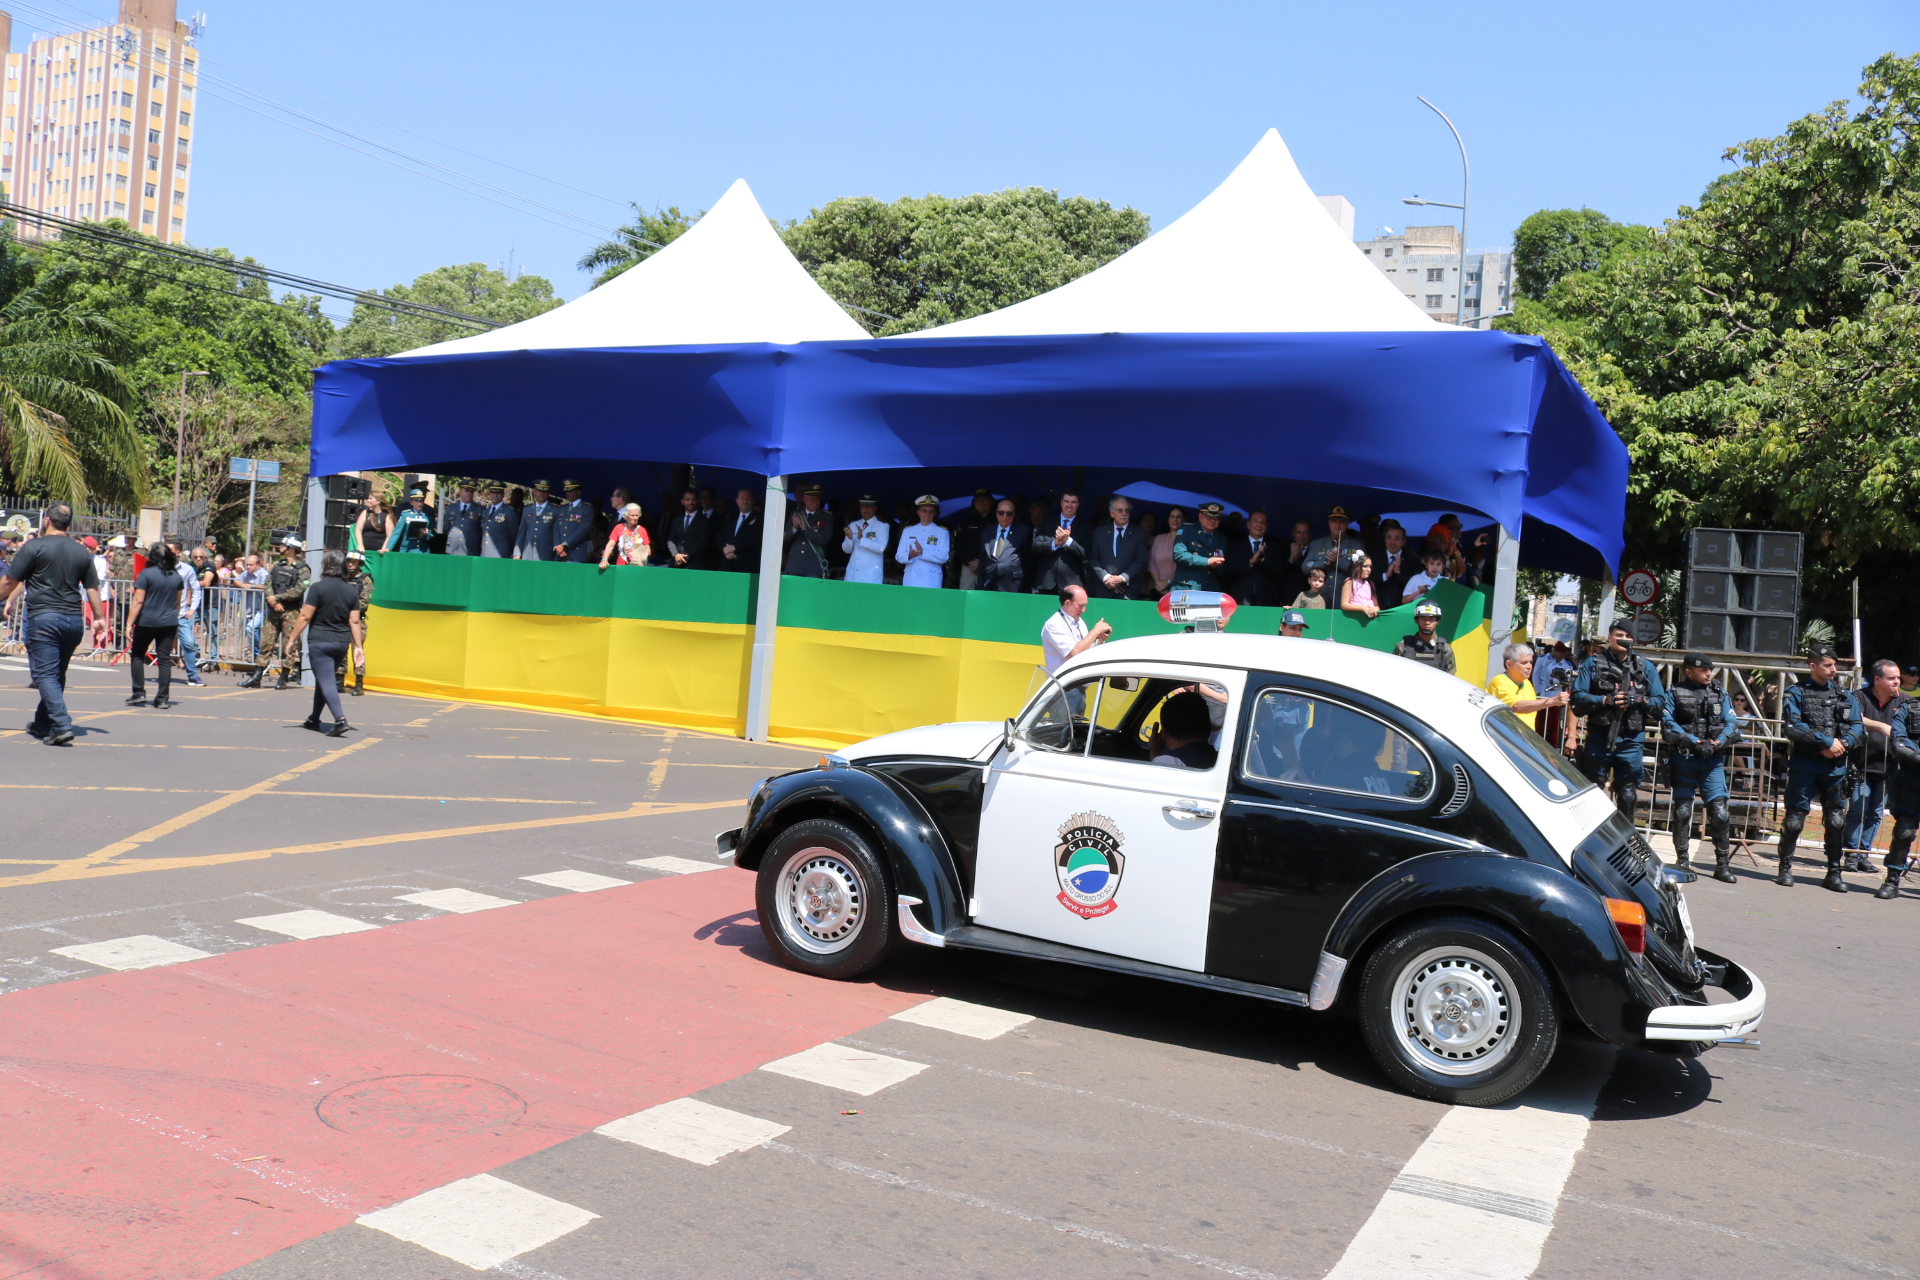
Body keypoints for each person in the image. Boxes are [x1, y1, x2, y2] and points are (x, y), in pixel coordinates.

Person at [0, 502, 108, 746]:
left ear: (46, 520)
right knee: (56, 674)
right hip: (72, 621)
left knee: (45, 674)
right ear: (68, 524)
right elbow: (92, 587)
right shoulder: (82, 551)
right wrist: (99, 617)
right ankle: (42, 724)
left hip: (44, 619)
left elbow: (9, 581)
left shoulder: (34, 546)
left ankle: (61, 724)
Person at [1776, 645, 1865, 891]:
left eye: (1835, 665)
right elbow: (1792, 726)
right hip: (1804, 766)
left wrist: (1842, 744)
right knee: (1794, 820)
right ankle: (1784, 868)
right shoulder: (1796, 692)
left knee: (1836, 821)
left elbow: (1858, 726)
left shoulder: (1844, 695)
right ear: (1813, 666)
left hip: (1835, 768)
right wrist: (1826, 742)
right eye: (1828, 665)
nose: (1834, 669)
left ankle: (1834, 873)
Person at [1661, 653, 1743, 884]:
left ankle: (1722, 865)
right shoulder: (1674, 693)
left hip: (1712, 761)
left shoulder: (1720, 693)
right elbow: (1668, 724)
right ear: (1689, 672)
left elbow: (1731, 723)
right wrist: (1693, 741)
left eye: (1710, 669)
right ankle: (1682, 862)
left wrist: (1718, 742)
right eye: (1704, 670)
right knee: (1683, 812)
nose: (1709, 674)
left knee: (1721, 813)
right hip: (1685, 759)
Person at [1572, 622, 1667, 819]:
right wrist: (1605, 700)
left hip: (1631, 739)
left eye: (1627, 636)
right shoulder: (1593, 663)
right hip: (1599, 737)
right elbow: (1577, 696)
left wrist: (1639, 699)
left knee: (1628, 794)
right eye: (1619, 635)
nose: (1623, 639)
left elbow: (1659, 701)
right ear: (1609, 637)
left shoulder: (1645, 666)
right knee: (1594, 790)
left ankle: (1626, 835)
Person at [284, 550, 363, 738]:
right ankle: (314, 719)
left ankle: (340, 720)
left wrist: (291, 640)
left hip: (320, 641)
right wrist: (358, 647)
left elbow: (305, 616)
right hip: (341, 642)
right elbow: (354, 621)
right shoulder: (351, 591)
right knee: (324, 678)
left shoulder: (318, 588)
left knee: (326, 681)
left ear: (326, 566)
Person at [1846, 659, 1903, 873]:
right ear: (1877, 679)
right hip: (1861, 766)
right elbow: (1856, 718)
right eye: (1892, 678)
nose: (1897, 681)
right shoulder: (1860, 696)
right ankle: (1851, 854)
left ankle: (1863, 854)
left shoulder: (1904, 701)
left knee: (1876, 813)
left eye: (1898, 678)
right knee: (1857, 810)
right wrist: (1880, 726)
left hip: (1888, 768)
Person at [125, 542, 182, 709]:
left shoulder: (146, 574)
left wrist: (129, 623)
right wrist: (174, 619)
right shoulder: (176, 576)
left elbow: (138, 600)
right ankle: (162, 698)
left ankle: (138, 693)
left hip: (147, 621)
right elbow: (178, 602)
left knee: (137, 655)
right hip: (169, 622)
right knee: (164, 659)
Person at [1878, 694, 1919, 900]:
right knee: (1904, 833)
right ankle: (1892, 880)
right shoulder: (1909, 707)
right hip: (1912, 779)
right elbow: (1899, 741)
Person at [255, 536, 311, 690]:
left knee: (289, 645)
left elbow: (299, 590)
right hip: (274, 610)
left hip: (291, 612)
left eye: (283, 545)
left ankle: (283, 678)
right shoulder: (277, 565)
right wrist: (273, 601)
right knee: (266, 643)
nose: (280, 547)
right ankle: (257, 676)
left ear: (291, 548)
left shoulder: (303, 569)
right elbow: (268, 583)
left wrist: (278, 598)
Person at [1489, 642, 1570, 731]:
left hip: (1525, 736)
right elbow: (1516, 706)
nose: (1529, 667)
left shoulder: (1526, 682)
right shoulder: (1500, 682)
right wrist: (1552, 701)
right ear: (1509, 664)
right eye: (1524, 663)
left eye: (1531, 662)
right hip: (1507, 736)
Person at [1088, 496, 1150, 600]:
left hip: (1128, 590)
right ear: (1112, 513)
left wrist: (1122, 578)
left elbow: (1141, 559)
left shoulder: (1139, 533)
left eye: (1127, 511)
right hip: (1104, 589)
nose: (1124, 513)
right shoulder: (1100, 532)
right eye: (1120, 510)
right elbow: (1093, 558)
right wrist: (1107, 578)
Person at [1042, 584, 1111, 675]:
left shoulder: (1079, 621)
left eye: (1085, 605)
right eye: (1080, 606)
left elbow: (1085, 650)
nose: (1084, 610)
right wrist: (1095, 632)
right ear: (1067, 603)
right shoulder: (1054, 624)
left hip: (1078, 679)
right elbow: (1073, 653)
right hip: (1063, 681)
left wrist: (1100, 641)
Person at [1029, 491, 1089, 594]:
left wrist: (1068, 541)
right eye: (1066, 501)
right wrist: (1055, 543)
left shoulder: (1085, 526)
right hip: (1046, 583)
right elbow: (1035, 547)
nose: (1069, 505)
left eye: (1073, 502)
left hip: (1072, 583)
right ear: (1061, 503)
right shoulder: (1048, 523)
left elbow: (1086, 553)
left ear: (1078, 505)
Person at [1223, 509, 1283, 606]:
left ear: (1266, 526)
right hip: (1241, 598)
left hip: (1265, 600)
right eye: (1255, 521)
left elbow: (1280, 573)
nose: (1259, 525)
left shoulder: (1274, 546)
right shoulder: (1236, 545)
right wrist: (1250, 562)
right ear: (1248, 524)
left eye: (1262, 522)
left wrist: (1262, 560)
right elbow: (1229, 570)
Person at [1149, 690, 1217, 770]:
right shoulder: (1221, 760)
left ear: (1164, 734)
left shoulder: (1166, 762)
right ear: (1209, 728)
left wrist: (1154, 752)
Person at [1305, 506, 1360, 601]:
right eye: (1334, 521)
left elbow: (1361, 571)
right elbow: (1305, 567)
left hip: (1345, 599)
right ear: (1329, 523)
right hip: (1319, 598)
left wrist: (1338, 561)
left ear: (1347, 523)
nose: (1337, 525)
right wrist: (1325, 563)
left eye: (1342, 521)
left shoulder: (1357, 545)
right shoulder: (1317, 543)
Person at [1171, 501, 1227, 591]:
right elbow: (1179, 555)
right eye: (1209, 517)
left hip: (1210, 589)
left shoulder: (1221, 538)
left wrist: (1217, 565)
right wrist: (1207, 561)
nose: (1213, 520)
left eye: (1216, 518)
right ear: (1200, 516)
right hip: (1187, 588)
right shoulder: (1187, 530)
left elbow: (1223, 569)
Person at [975, 499, 1029, 592]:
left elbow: (1028, 561)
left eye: (1009, 513)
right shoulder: (987, 532)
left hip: (1013, 583)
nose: (1005, 516)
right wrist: (980, 586)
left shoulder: (1023, 531)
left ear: (1013, 515)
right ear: (996, 514)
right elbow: (982, 561)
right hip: (990, 581)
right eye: (1001, 513)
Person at [896, 496, 949, 588]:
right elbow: (898, 556)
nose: (927, 514)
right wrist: (909, 555)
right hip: (911, 578)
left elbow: (944, 557)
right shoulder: (908, 530)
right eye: (924, 510)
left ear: (935, 513)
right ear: (918, 512)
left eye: (931, 511)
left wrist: (923, 552)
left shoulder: (942, 532)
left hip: (931, 579)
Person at [174, 543, 208, 687]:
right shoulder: (159, 568)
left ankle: (193, 676)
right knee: (160, 645)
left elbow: (196, 588)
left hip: (180, 615)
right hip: (162, 614)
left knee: (189, 644)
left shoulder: (186, 569)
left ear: (177, 552)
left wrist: (192, 608)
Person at [948, 489, 996, 589]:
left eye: (985, 499)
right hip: (969, 566)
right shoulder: (967, 521)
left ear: (991, 501)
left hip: (991, 565)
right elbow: (958, 546)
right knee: (966, 595)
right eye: (978, 500)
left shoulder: (998, 521)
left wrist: (983, 562)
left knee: (989, 595)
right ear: (974, 502)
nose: (981, 502)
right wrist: (969, 563)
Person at [783, 483, 834, 578]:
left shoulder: (826, 517)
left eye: (817, 499)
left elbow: (824, 539)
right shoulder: (796, 513)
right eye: (811, 499)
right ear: (804, 499)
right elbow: (785, 538)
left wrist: (806, 529)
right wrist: (794, 528)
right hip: (795, 564)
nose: (815, 502)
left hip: (813, 565)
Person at [1393, 601, 1456, 674]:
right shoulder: (1403, 647)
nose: (1427, 622)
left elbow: (1450, 677)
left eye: (1431, 619)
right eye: (1423, 618)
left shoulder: (1445, 649)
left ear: (1437, 621)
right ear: (1417, 621)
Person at [841, 494, 890, 584]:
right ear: (860, 508)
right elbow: (846, 550)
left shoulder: (882, 526)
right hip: (853, 574)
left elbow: (881, 547)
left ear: (875, 508)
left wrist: (862, 539)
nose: (866, 510)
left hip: (870, 575)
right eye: (863, 507)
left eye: (869, 507)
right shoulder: (853, 525)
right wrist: (849, 538)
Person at [344, 550, 374, 695]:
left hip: (357, 620)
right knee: (341, 650)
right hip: (342, 620)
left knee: (358, 650)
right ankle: (339, 680)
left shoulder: (365, 580)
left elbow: (364, 602)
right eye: (349, 561)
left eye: (354, 562)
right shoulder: (342, 577)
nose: (350, 564)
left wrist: (348, 610)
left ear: (359, 563)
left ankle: (359, 683)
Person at [663, 489, 713, 571]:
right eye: (688, 499)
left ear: (698, 501)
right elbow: (671, 540)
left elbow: (702, 543)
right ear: (683, 501)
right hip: (676, 563)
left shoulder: (704, 521)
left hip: (695, 564)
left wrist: (685, 557)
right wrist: (676, 555)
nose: (690, 502)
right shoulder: (677, 520)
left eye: (693, 500)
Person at [551, 480, 597, 563]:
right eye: (567, 492)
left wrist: (565, 545)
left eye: (571, 491)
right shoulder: (562, 509)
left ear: (578, 492)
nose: (568, 494)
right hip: (559, 554)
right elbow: (556, 528)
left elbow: (582, 530)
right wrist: (558, 546)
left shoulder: (586, 509)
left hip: (576, 553)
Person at [1374, 522, 1416, 609]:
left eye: (1397, 539)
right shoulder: (1375, 557)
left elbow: (1414, 585)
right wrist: (1386, 575)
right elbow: (1368, 581)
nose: (1392, 542)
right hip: (1377, 607)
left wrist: (1397, 572)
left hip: (1402, 608)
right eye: (1389, 538)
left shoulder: (1412, 560)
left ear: (1403, 542)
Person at [598, 502, 652, 568]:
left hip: (638, 567)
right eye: (632, 515)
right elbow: (610, 545)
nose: (635, 518)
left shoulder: (642, 530)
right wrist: (604, 559)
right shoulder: (619, 527)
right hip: (621, 566)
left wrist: (638, 554)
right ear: (626, 516)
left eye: (637, 515)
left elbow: (648, 549)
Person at [514, 480, 558, 560]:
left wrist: (557, 555)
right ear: (534, 492)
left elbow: (556, 535)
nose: (542, 493)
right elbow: (522, 532)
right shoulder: (527, 509)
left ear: (549, 493)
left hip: (545, 554)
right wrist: (517, 552)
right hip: (528, 553)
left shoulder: (555, 510)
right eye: (539, 491)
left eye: (545, 491)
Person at [721, 488, 762, 572]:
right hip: (728, 564)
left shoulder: (760, 518)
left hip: (748, 565)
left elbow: (757, 538)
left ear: (753, 500)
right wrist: (726, 549)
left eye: (748, 498)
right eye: (742, 498)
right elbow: (720, 535)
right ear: (737, 501)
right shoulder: (730, 518)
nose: (745, 501)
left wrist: (735, 547)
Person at [1148, 506, 1186, 595]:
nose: (1175, 519)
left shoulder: (1188, 541)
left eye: (1179, 516)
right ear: (1168, 520)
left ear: (1184, 520)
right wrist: (1159, 584)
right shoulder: (1159, 538)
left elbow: (1187, 567)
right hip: (1157, 588)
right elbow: (1151, 562)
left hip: (1179, 589)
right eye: (1172, 516)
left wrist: (1168, 582)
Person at [385, 488, 434, 554]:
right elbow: (396, 533)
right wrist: (388, 548)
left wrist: (427, 533)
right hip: (408, 549)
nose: (419, 503)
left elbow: (432, 534)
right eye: (416, 501)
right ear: (411, 502)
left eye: (421, 501)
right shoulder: (405, 515)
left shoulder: (427, 517)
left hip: (422, 551)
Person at [479, 484, 520, 557]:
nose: (495, 495)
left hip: (500, 555)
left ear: (503, 494)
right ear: (489, 494)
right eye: (493, 492)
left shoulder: (509, 512)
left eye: (498, 492)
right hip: (485, 554)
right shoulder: (486, 512)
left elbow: (514, 536)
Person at [442, 485, 482, 556]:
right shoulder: (451, 508)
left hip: (471, 549)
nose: (469, 493)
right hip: (453, 547)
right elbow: (446, 527)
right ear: (460, 492)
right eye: (466, 491)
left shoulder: (480, 509)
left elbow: (482, 530)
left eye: (471, 492)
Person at [1340, 554, 1380, 619]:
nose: (1369, 569)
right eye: (1365, 566)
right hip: (1354, 618)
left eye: (1370, 567)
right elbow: (1344, 604)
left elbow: (1377, 606)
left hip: (1370, 618)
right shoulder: (1349, 582)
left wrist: (1375, 609)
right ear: (1356, 567)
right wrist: (1363, 608)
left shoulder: (1370, 583)